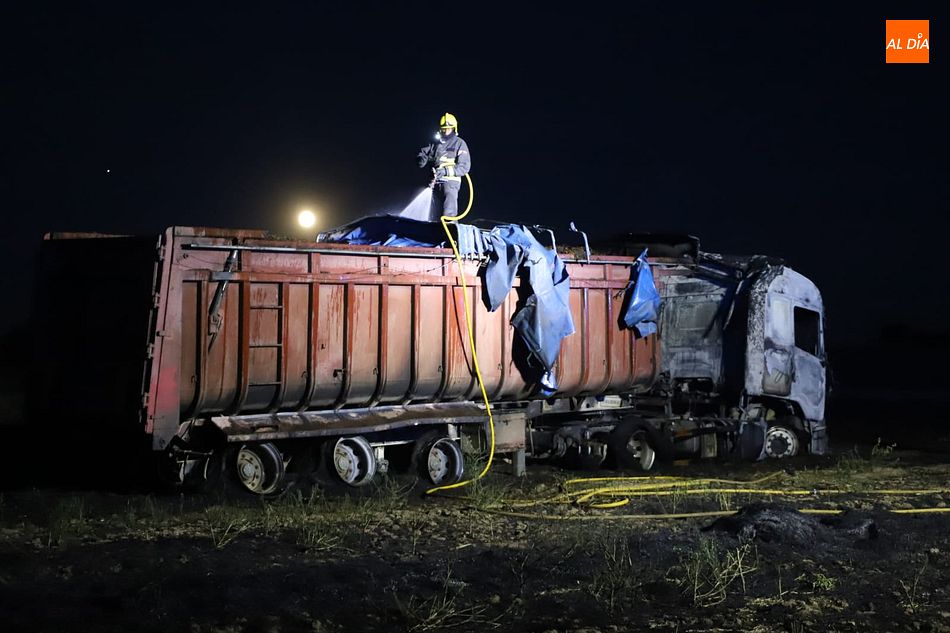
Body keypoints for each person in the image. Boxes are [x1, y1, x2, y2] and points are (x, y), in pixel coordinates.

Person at [417, 112, 471, 221]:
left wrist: (445, 171)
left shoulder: (459, 143)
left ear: (453, 128)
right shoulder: (435, 143)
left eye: (448, 129)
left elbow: (464, 167)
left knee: (448, 213)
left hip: (450, 184)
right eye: (443, 129)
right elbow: (423, 153)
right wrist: (421, 159)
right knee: (433, 213)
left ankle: (449, 233)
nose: (445, 131)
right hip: (435, 183)